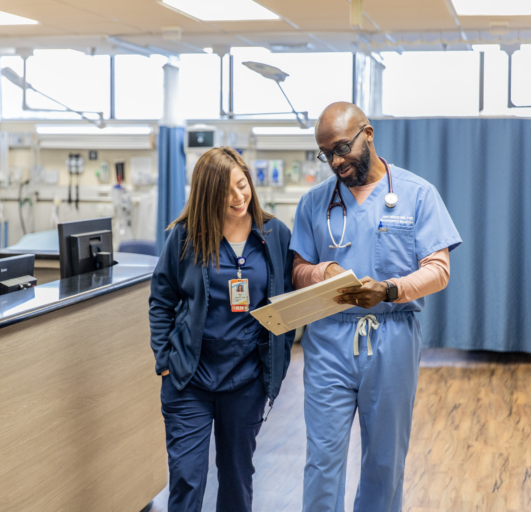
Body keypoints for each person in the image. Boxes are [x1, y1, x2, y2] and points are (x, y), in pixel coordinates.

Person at [290, 102, 462, 512]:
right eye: (326, 154)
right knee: (322, 461)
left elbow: (438, 270)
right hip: (329, 338)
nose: (336, 161)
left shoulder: (418, 194)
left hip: (392, 336)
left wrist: (388, 289)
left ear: (367, 133)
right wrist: (324, 271)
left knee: (385, 462)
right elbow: (297, 270)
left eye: (341, 148)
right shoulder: (314, 202)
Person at [149, 147, 294, 512]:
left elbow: (287, 305)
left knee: (236, 479)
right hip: (189, 379)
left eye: (242, 185)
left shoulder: (275, 234)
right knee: (186, 479)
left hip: (246, 380)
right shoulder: (184, 237)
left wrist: (275, 367)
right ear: (207, 195)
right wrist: (164, 360)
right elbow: (161, 299)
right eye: (225, 191)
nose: (238, 196)